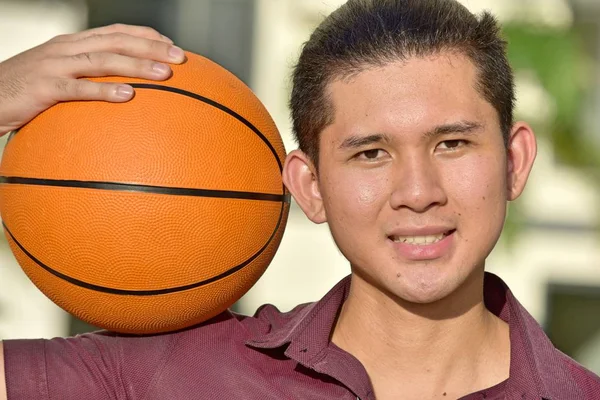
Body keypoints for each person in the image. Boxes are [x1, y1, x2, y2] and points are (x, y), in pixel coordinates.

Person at [0, 0, 599, 398]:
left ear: (516, 160)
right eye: (371, 153)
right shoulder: (172, 374)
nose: (418, 193)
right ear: (309, 186)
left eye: (451, 143)